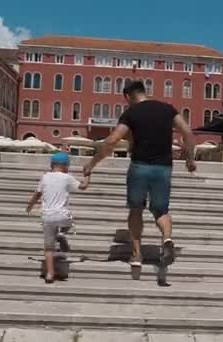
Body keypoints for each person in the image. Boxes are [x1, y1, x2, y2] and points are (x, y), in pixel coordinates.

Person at [83, 81, 197, 270]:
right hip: (163, 168)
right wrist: (190, 159)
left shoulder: (131, 113)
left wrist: (92, 164)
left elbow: (112, 139)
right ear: (144, 92)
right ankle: (167, 239)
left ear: (127, 96)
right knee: (161, 211)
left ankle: (137, 255)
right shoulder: (168, 109)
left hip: (139, 167)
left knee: (136, 210)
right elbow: (188, 133)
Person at [27, 152, 90, 283]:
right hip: (63, 216)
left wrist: (30, 206)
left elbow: (37, 194)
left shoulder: (45, 177)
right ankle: (62, 234)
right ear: (66, 166)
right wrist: (88, 175)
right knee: (67, 223)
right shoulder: (67, 177)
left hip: (47, 217)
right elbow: (83, 186)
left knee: (48, 248)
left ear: (51, 165)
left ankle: (50, 274)